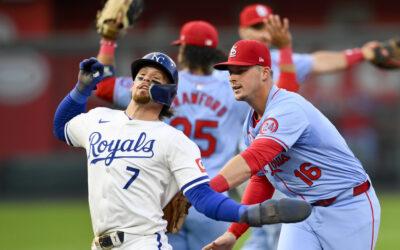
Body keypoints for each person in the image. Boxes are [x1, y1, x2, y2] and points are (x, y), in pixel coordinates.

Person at [52, 53, 311, 250]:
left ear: (167, 93)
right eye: (141, 76)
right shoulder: (99, 119)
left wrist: (250, 213)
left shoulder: (174, 140)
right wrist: (81, 89)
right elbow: (61, 126)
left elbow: (202, 197)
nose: (144, 80)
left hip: (143, 243)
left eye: (155, 79)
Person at [94, 18, 299, 250]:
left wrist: (108, 41)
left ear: (184, 50)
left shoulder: (163, 85)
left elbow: (101, 86)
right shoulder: (232, 85)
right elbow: (285, 98)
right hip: (211, 196)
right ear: (213, 53)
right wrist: (285, 49)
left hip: (164, 199)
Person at [202, 39, 381, 250]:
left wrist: (204, 191)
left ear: (265, 73)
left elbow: (253, 158)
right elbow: (262, 181)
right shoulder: (252, 122)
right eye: (230, 71)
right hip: (302, 212)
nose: (232, 77)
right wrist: (234, 233)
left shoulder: (288, 108)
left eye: (241, 70)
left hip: (347, 206)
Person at [238, 3, 379, 84]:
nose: (265, 34)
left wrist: (362, 53)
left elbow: (319, 61)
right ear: (242, 31)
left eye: (269, 27)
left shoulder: (278, 59)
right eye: (257, 27)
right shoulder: (226, 70)